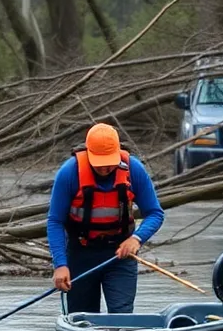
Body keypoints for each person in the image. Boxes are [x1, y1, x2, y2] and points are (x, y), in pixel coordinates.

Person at [46, 123, 165, 313]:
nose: (104, 168)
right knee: (83, 319)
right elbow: (55, 222)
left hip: (120, 255)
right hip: (80, 254)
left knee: (122, 317)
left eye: (109, 162)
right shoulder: (69, 173)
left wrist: (136, 238)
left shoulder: (133, 169)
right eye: (99, 163)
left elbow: (155, 213)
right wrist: (60, 265)